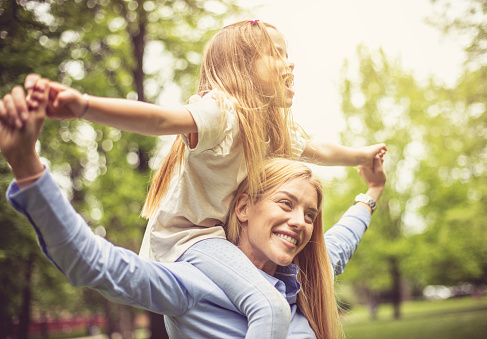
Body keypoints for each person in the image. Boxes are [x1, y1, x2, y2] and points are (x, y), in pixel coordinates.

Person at [9, 20, 386, 337]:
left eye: (308, 213)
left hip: (216, 240)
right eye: (276, 53)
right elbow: (160, 120)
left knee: (273, 299)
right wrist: (84, 107)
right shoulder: (222, 114)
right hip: (191, 239)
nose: (290, 63)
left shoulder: (302, 269)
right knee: (269, 306)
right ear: (243, 207)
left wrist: (366, 169)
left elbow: (326, 179)